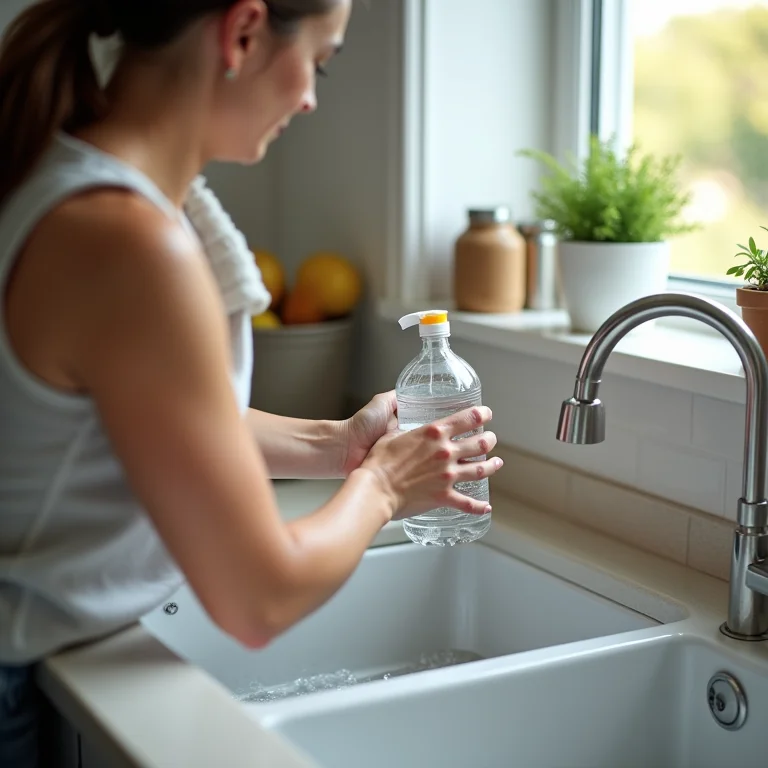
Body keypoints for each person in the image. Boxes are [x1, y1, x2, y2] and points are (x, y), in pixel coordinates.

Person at [0, 0, 502, 765]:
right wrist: (385, 488)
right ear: (242, 33)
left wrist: (339, 444)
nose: (310, 99)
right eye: (320, 61)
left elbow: (155, 420)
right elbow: (259, 598)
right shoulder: (130, 244)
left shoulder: (66, 178)